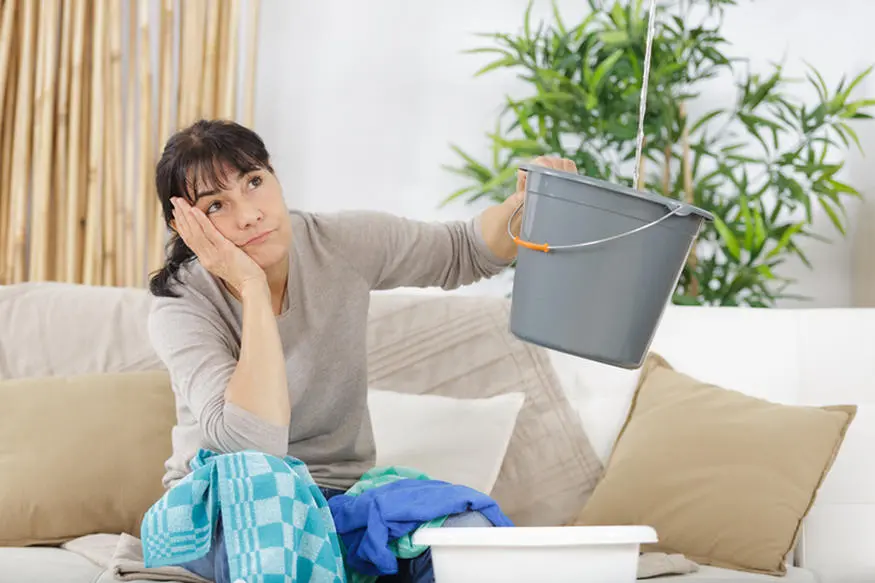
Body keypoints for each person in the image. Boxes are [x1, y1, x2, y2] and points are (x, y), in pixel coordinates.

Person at [146, 119, 577, 583]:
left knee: (465, 534)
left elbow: (464, 249)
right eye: (216, 206)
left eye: (254, 182)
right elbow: (257, 447)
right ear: (185, 227)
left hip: (337, 499)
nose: (249, 214)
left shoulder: (339, 243)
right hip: (223, 511)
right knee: (273, 522)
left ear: (274, 175)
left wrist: (527, 205)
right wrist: (250, 286)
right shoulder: (181, 306)